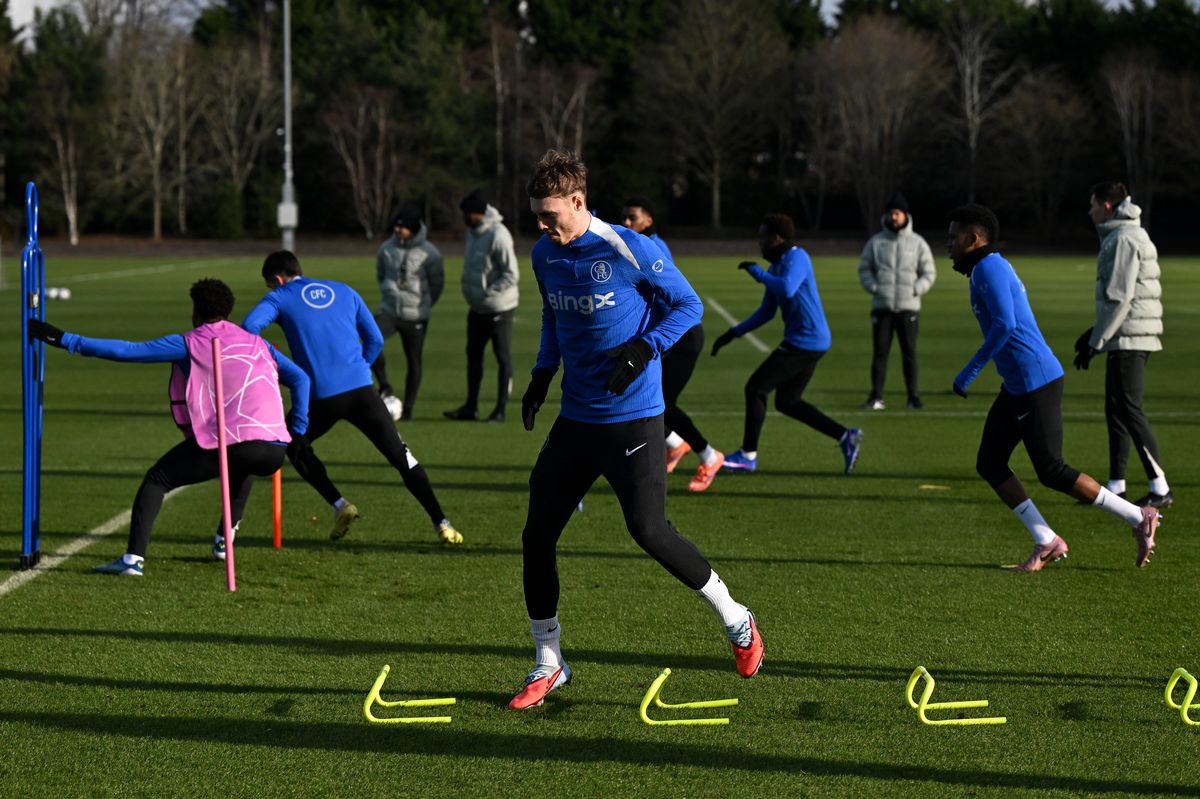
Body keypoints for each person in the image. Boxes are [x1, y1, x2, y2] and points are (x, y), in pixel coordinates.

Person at [509, 150, 764, 710]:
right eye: (537, 217)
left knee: (649, 531)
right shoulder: (545, 255)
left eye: (551, 215)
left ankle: (737, 618)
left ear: (579, 201)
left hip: (635, 418)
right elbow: (554, 316)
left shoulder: (629, 248)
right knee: (536, 536)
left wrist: (645, 347)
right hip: (576, 419)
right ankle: (548, 662)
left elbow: (688, 305)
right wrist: (541, 374)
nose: (542, 226)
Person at [27, 279, 309, 576]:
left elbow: (127, 351)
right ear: (228, 310)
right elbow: (301, 379)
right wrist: (298, 430)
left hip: (236, 441)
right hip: (275, 449)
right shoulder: (257, 341)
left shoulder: (190, 341)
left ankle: (133, 560)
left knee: (157, 479)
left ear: (196, 312)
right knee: (242, 463)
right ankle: (224, 541)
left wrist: (66, 339)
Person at [947, 203, 1161, 571]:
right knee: (990, 462)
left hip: (1036, 382)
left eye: (953, 237)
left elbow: (1005, 325)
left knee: (1052, 470)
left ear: (974, 238)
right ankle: (1046, 540)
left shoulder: (989, 267)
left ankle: (1138, 516)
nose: (947, 244)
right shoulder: (984, 267)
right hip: (1018, 384)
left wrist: (968, 373)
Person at [244, 250, 463, 545]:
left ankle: (339, 505)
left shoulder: (280, 297)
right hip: (362, 390)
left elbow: (249, 328)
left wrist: (276, 363)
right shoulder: (344, 290)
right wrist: (357, 368)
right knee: (401, 457)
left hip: (319, 395)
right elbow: (374, 339)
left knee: (293, 446)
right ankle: (442, 523)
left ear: (277, 279)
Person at [711, 214, 863, 475]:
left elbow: (788, 288)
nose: (759, 242)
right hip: (805, 341)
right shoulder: (776, 266)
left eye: (762, 236)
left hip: (807, 340)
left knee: (756, 388)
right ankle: (845, 436)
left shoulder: (797, 257)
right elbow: (766, 311)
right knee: (788, 401)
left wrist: (757, 273)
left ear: (776, 238)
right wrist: (733, 333)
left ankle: (748, 456)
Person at [1074, 182, 1171, 508]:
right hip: (1124, 335)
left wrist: (1095, 341)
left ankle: (1160, 487)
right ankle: (1116, 485)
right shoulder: (1122, 236)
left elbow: (1120, 298)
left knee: (1129, 408)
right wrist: (1095, 334)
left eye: (1091, 206)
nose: (1089, 212)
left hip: (1130, 337)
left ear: (1105, 206)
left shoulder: (1124, 238)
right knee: (1116, 409)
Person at [622, 195, 724, 492]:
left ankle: (709, 455)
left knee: (662, 402)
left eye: (633, 218)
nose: (627, 223)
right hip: (667, 336)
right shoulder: (638, 245)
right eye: (624, 218)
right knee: (641, 394)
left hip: (683, 335)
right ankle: (676, 444)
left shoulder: (652, 246)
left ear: (649, 220)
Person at [444, 189, 520, 423]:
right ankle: (471, 407)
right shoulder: (472, 234)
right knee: (473, 356)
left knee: (502, 357)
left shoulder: (499, 235)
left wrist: (488, 292)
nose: (464, 218)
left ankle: (500, 409)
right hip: (477, 308)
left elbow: (511, 274)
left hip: (498, 308)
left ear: (478, 213)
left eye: (467, 214)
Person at [857, 191, 936, 410]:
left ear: (905, 215)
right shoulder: (876, 242)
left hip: (908, 307)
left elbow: (929, 272)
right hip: (882, 307)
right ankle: (876, 397)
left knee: (909, 354)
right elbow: (864, 269)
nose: (894, 217)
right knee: (880, 354)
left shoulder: (917, 243)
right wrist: (875, 288)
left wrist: (915, 289)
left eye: (898, 213)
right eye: (891, 213)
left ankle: (913, 397)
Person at [372, 206, 444, 421]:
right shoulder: (386, 249)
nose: (397, 229)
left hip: (416, 315)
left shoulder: (430, 253)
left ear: (412, 229)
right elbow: (381, 274)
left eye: (401, 226)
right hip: (389, 310)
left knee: (414, 361)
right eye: (396, 225)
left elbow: (436, 283)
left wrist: (423, 304)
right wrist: (389, 292)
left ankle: (409, 409)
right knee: (371, 340)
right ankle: (385, 385)